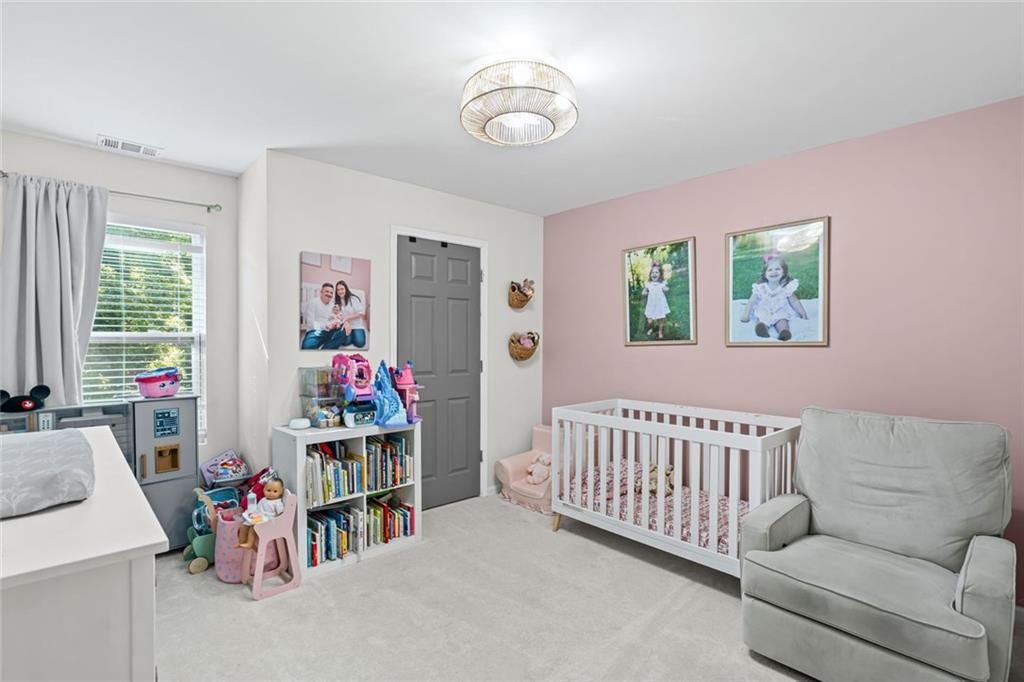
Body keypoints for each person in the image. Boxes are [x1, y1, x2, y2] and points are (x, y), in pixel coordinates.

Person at [740, 253, 808, 341]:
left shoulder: (786, 287)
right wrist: (746, 315)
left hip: (780, 310)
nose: (774, 272)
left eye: (778, 269)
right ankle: (762, 329)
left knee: (782, 320)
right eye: (770, 270)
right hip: (765, 309)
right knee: (761, 318)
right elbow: (751, 301)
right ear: (765, 274)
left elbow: (795, 302)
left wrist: (803, 313)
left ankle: (784, 332)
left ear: (783, 272)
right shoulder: (761, 288)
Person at [323, 279, 367, 349]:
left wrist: (346, 318)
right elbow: (337, 315)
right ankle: (350, 335)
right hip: (344, 325)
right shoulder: (335, 301)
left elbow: (362, 313)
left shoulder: (353, 299)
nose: (340, 291)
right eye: (338, 290)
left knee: (360, 343)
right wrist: (345, 322)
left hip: (356, 324)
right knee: (346, 342)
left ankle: (354, 333)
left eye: (342, 289)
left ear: (346, 289)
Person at [301, 282, 340, 349]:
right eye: (327, 291)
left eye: (331, 293)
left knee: (344, 333)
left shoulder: (333, 305)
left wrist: (336, 323)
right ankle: (325, 343)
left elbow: (335, 317)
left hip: (329, 330)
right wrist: (325, 326)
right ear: (321, 292)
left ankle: (326, 348)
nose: (329, 294)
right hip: (315, 331)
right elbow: (310, 323)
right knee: (306, 347)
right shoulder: (313, 302)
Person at [641, 263, 670, 340]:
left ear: (660, 274)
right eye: (652, 273)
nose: (654, 274)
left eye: (656, 272)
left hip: (660, 304)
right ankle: (651, 328)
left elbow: (666, 288)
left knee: (661, 319)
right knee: (650, 320)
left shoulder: (661, 284)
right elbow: (644, 291)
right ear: (650, 275)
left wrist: (666, 288)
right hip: (651, 304)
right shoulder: (648, 284)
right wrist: (644, 292)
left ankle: (660, 331)